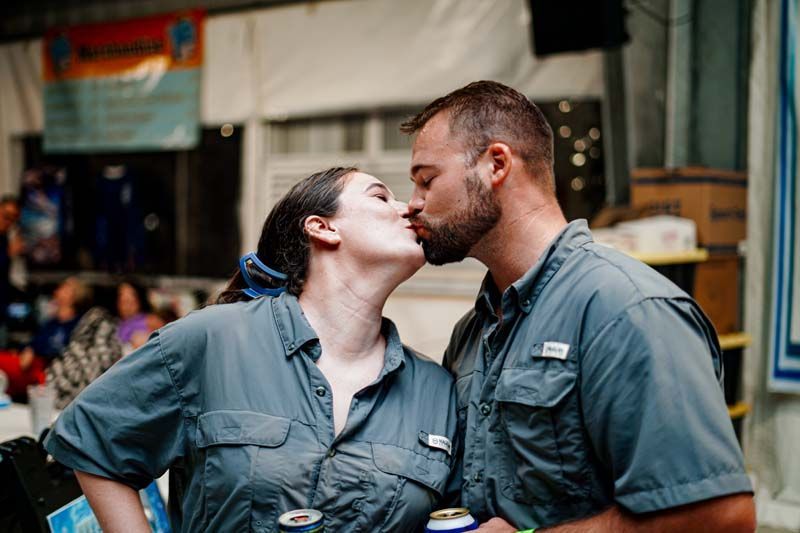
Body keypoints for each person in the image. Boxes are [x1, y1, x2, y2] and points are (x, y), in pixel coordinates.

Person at [402, 81, 755, 532]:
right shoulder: (475, 330)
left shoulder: (627, 309)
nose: (413, 205)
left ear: (496, 164)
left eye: (426, 180)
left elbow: (719, 518)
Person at [44, 167, 459, 532]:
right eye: (381, 196)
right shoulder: (214, 340)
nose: (409, 208)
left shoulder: (437, 390)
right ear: (321, 227)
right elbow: (92, 440)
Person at [0, 277, 92, 398]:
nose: (59, 289)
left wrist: (33, 351)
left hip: (51, 371)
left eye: (66, 287)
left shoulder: (79, 325)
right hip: (33, 366)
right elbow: (35, 342)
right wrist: (28, 349)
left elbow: (70, 354)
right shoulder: (52, 322)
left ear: (74, 295)